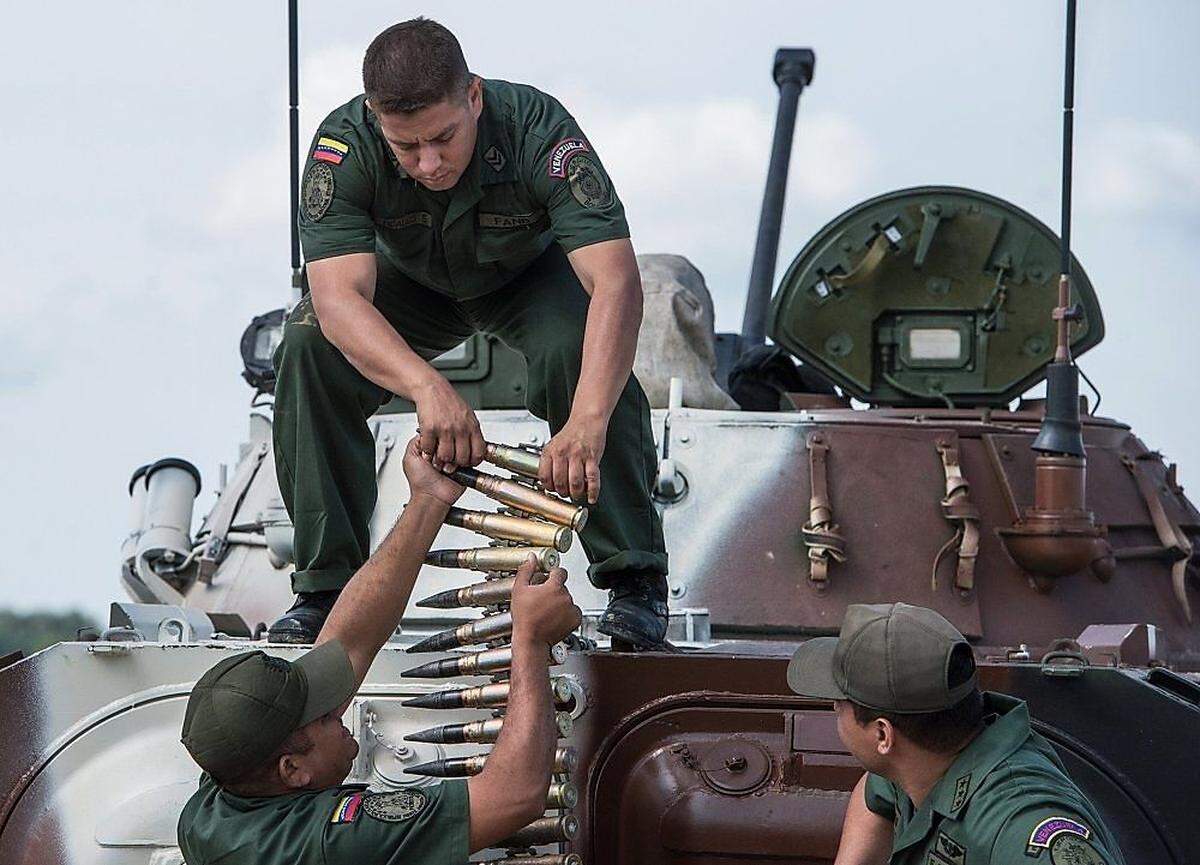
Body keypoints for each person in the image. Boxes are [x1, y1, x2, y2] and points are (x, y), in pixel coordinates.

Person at [267, 17, 668, 650]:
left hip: (527, 277)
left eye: (444, 138)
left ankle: (636, 581)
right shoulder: (341, 150)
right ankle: (325, 590)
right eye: (407, 147)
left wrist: (587, 421)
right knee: (307, 345)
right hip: (408, 285)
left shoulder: (540, 130)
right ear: (375, 120)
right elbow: (337, 297)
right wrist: (425, 385)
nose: (428, 163)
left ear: (473, 97)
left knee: (577, 348)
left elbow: (616, 281)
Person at [177, 437, 582, 864]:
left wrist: (428, 498)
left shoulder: (211, 809)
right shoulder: (330, 844)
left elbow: (349, 643)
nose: (338, 702)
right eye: (322, 712)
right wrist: (529, 642)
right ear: (292, 770)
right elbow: (514, 795)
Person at [787, 603, 1126, 865]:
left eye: (839, 704)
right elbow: (878, 790)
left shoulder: (1019, 826)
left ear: (882, 735)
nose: (835, 710)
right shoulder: (927, 758)